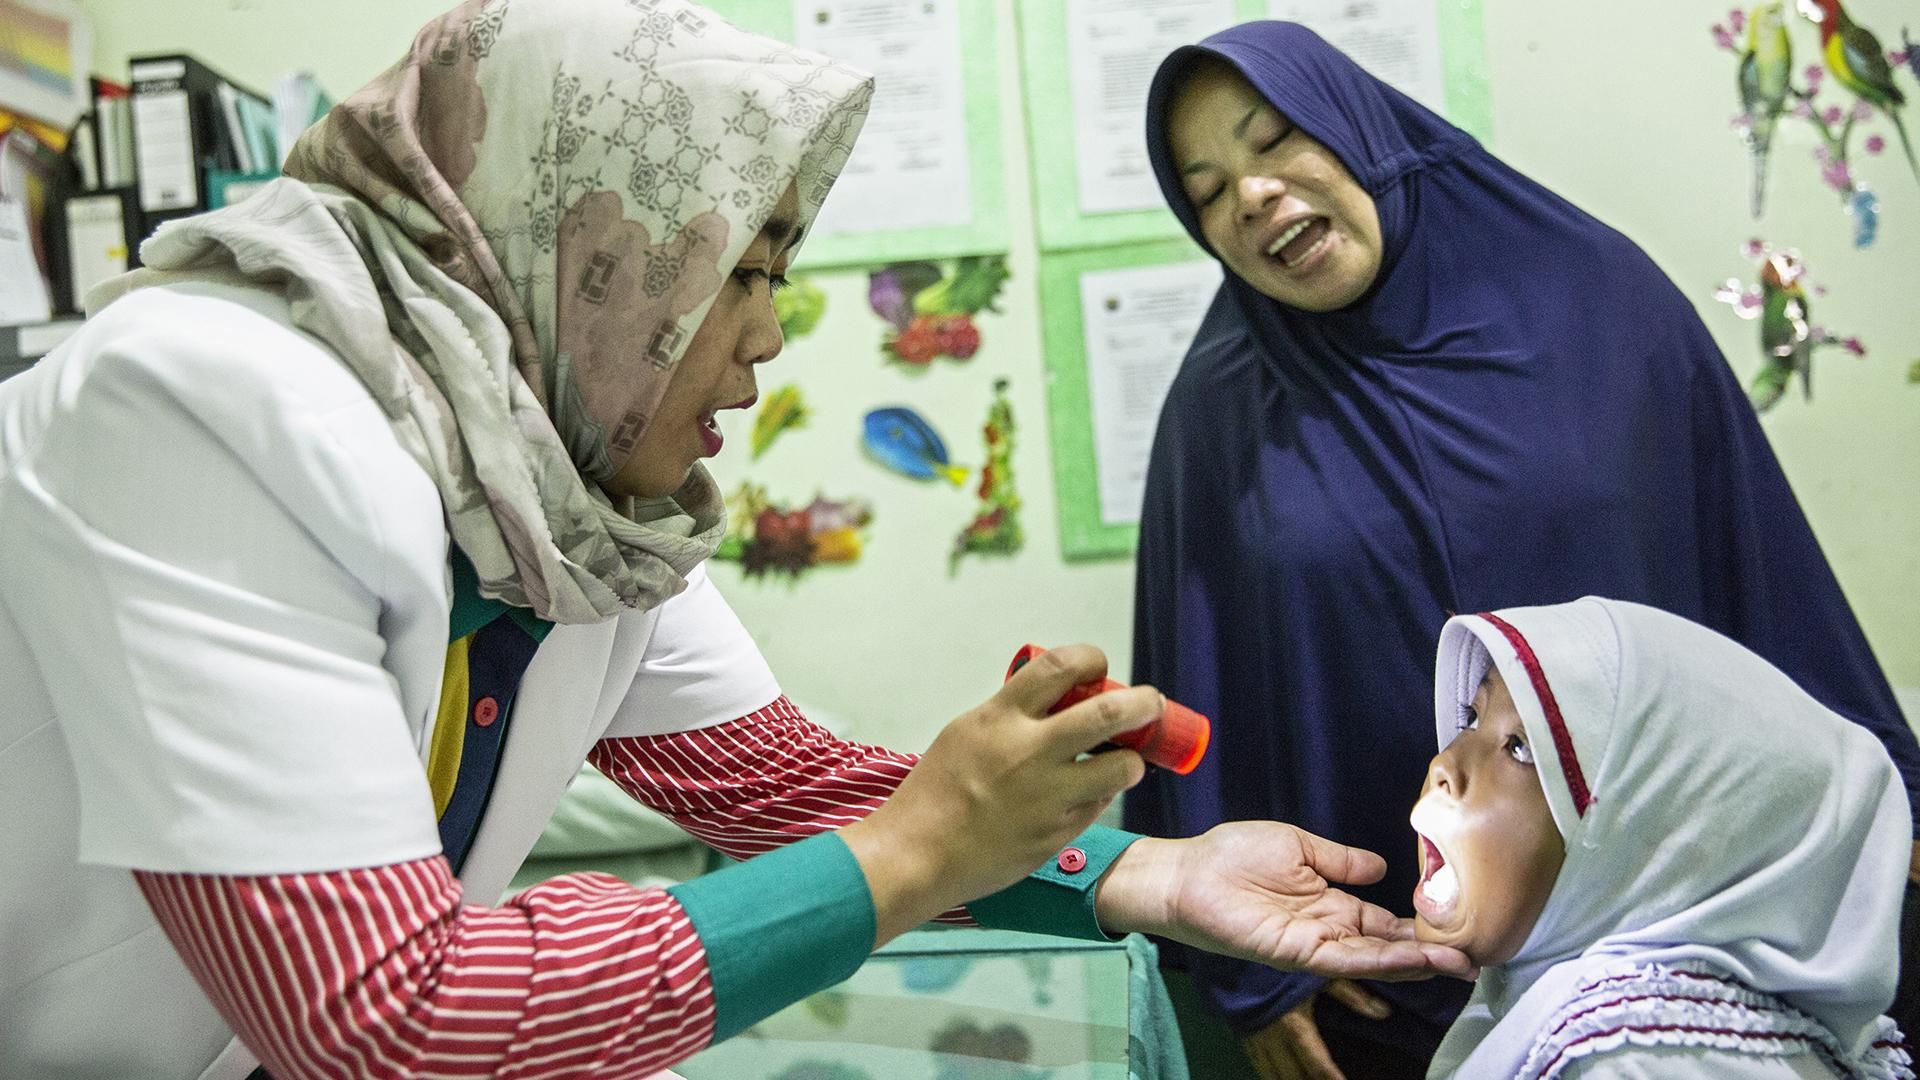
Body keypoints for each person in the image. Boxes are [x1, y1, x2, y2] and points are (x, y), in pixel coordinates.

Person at [0, 3, 1469, 1078]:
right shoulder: (198, 408)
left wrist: (1143, 879)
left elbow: (769, 781)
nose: (767, 341)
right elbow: (390, 1014)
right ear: (569, 243)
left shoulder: (563, 489)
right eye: (741, 272)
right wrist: (913, 848)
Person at [1127, 20, 1920, 1080]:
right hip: (1384, 969)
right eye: (1209, 188)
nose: (1255, 194)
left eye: (1276, 141)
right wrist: (1256, 976)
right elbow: (1196, 673)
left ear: (1362, 130)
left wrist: (1883, 794)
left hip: (1677, 944)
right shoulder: (1222, 410)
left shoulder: (1598, 302)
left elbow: (1752, 558)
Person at [1414, 596, 1912, 1080]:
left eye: (1520, 748)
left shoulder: (1635, 1058)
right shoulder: (1612, 1021)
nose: (1444, 767)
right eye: (1473, 718)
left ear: (1647, 843)